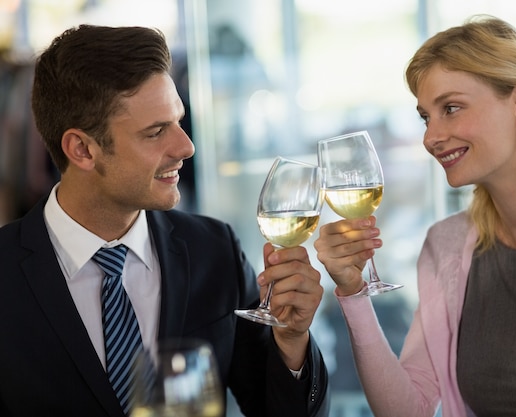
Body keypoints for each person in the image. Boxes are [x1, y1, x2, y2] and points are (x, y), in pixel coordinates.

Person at [0, 24, 329, 417]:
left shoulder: (215, 250)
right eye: (156, 132)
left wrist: (292, 341)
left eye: (178, 121)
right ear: (82, 149)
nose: (185, 146)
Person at [314, 15, 516, 417]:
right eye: (426, 116)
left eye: (452, 108)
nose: (430, 137)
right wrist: (353, 292)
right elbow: (408, 410)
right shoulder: (446, 245)